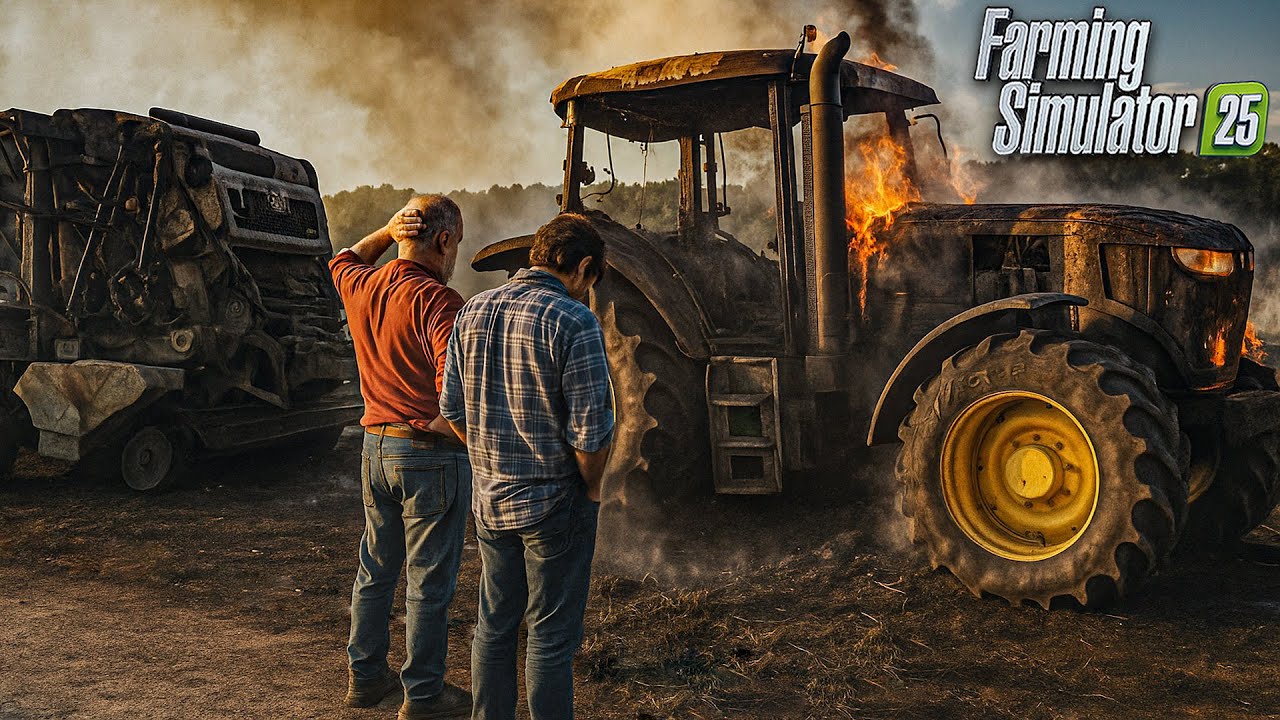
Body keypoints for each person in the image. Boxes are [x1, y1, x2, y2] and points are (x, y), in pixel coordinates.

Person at [439, 213, 613, 720]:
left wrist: (485, 458)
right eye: (590, 281)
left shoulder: (471, 311)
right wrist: (594, 488)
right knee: (551, 638)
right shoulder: (574, 321)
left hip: (491, 504)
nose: (586, 291)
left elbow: (451, 408)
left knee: (494, 627)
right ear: (583, 267)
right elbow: (589, 433)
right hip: (553, 504)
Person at [329, 194, 473, 720]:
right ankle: (423, 697)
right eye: (455, 243)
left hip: (374, 448)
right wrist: (467, 440)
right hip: (426, 453)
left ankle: (365, 680)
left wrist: (385, 231)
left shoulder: (365, 285)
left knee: (375, 569)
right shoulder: (440, 302)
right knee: (429, 581)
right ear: (443, 240)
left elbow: (341, 259)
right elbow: (453, 400)